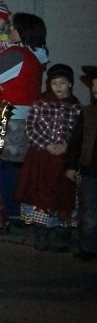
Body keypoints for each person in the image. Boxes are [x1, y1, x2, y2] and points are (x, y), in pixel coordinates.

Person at [0, 12, 48, 229]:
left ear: (23, 31)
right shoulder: (36, 56)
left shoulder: (16, 53)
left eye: (14, 27)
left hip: (4, 120)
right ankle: (14, 215)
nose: (10, 30)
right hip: (23, 122)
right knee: (13, 171)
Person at [15, 64, 83, 251]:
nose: (59, 87)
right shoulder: (41, 102)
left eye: (63, 83)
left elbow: (78, 133)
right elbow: (30, 127)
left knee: (63, 195)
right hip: (42, 158)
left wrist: (67, 147)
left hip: (64, 161)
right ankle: (41, 232)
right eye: (54, 83)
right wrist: (46, 145)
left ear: (70, 84)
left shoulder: (76, 107)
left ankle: (62, 233)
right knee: (40, 193)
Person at [66, 66, 97, 260]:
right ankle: (88, 247)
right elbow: (76, 141)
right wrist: (70, 164)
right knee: (88, 211)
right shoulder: (88, 112)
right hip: (90, 170)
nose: (95, 88)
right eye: (94, 84)